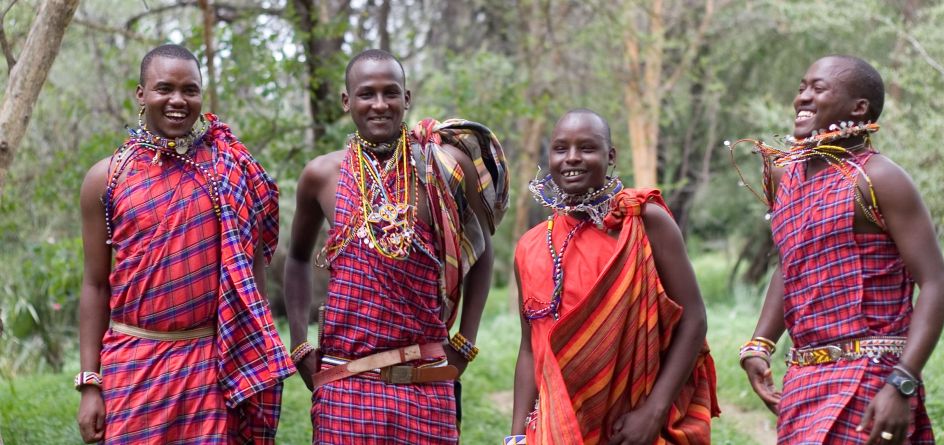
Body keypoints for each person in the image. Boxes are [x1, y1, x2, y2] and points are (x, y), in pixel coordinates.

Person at [283, 49, 508, 444]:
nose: (380, 104)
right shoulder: (321, 175)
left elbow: (481, 249)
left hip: (426, 376)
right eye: (366, 94)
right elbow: (298, 258)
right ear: (346, 101)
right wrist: (300, 344)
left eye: (391, 93)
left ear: (407, 98)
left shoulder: (442, 167)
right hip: (344, 381)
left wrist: (464, 343)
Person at [76, 44, 294, 444]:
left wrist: (252, 353)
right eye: (164, 88)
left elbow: (250, 274)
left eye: (190, 90)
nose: (178, 100)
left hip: (211, 363)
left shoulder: (229, 170)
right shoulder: (106, 178)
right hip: (132, 363)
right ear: (141, 95)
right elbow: (94, 284)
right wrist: (90, 384)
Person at [735, 55, 944, 444]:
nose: (803, 97)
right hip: (803, 378)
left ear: (859, 108)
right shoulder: (787, 178)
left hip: (871, 375)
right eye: (802, 87)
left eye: (818, 88)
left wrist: (901, 382)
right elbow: (791, 263)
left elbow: (937, 285)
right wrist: (760, 344)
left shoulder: (880, 178)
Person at [510, 109, 719, 445]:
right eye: (561, 149)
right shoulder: (530, 245)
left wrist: (653, 411)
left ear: (610, 157)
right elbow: (530, 350)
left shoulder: (643, 223)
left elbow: (693, 319)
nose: (572, 158)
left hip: (630, 425)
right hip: (554, 428)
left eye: (587, 148)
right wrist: (517, 436)